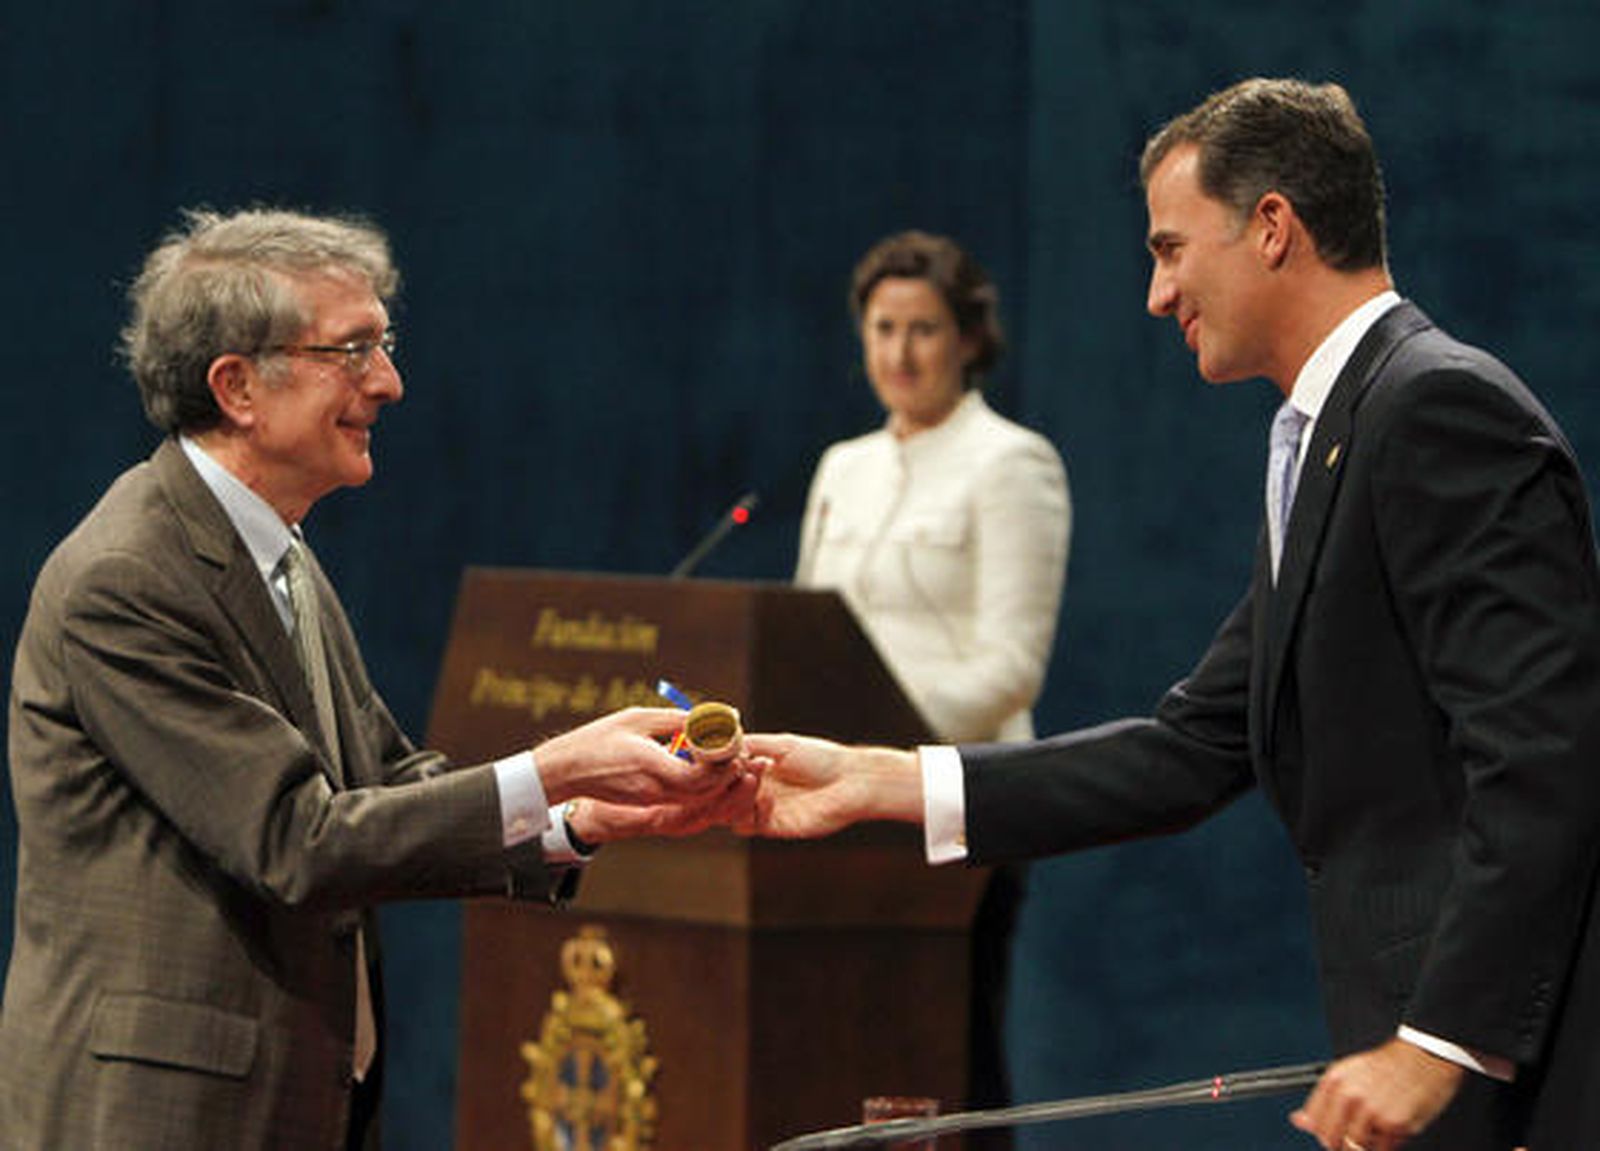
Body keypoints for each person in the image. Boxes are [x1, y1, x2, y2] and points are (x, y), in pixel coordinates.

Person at [741, 79, 1600, 1151]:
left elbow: (1546, 759)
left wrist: (1439, 1040)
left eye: (1169, 248)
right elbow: (1188, 748)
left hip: (1507, 1073)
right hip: (1420, 1056)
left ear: (1273, 228)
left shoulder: (1432, 408)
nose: (1156, 293)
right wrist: (878, 778)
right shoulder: (1330, 431)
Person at [0, 207, 753, 1151]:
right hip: (161, 1115)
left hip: (293, 1101)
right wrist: (557, 766)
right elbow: (300, 838)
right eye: (351, 351)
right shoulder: (127, 578)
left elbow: (386, 788)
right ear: (237, 386)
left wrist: (581, 818)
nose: (389, 382)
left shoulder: (278, 551)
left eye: (383, 344)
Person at [795, 230, 1069, 1128]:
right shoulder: (844, 466)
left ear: (966, 339)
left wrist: (871, 742)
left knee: (951, 1055)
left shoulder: (1012, 462)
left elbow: (1010, 667)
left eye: (923, 329)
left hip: (963, 805)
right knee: (839, 1047)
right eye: (882, 328)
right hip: (842, 810)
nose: (900, 352)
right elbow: (805, 632)